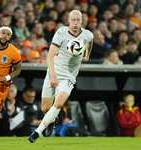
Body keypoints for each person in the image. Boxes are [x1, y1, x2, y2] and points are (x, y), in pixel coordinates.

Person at [28, 9, 94, 143]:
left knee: (58, 103)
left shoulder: (87, 35)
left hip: (69, 76)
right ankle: (52, 120)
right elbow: (50, 56)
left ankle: (36, 133)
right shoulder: (61, 33)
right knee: (45, 108)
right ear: (69, 20)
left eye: (78, 20)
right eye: (73, 20)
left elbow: (90, 42)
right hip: (54, 71)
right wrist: (53, 76)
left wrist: (87, 56)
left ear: (81, 21)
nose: (75, 23)